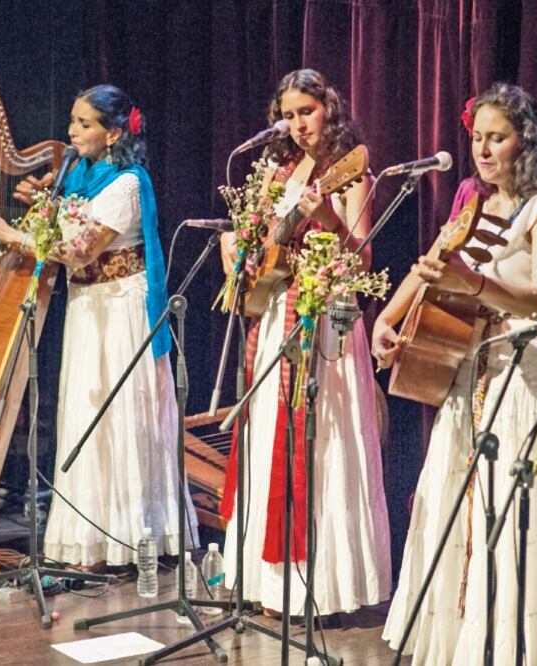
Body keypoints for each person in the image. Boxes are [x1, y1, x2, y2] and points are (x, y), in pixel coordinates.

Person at [376, 82, 537, 663]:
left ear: (528, 140)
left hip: (525, 377)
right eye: (478, 139)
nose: (484, 150)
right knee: (456, 504)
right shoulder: (474, 202)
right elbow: (431, 268)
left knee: (514, 513)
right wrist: (387, 319)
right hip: (467, 374)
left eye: (498, 138)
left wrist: (474, 284)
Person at [0, 85, 197, 571]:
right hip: (87, 304)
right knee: (85, 415)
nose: (71, 132)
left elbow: (79, 250)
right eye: (73, 121)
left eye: (84, 124)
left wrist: (11, 233)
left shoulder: (127, 184)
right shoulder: (80, 174)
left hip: (120, 309)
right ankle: (93, 544)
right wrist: (45, 200)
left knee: (116, 418)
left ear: (114, 133)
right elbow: (65, 228)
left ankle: (130, 538)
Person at [217, 68, 392, 617]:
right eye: (288, 116)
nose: (297, 125)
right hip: (275, 314)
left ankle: (320, 586)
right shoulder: (283, 168)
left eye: (306, 113)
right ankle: (269, 583)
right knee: (269, 437)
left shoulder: (350, 168)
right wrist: (235, 241)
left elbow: (361, 260)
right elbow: (262, 240)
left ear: (329, 109)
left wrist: (325, 218)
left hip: (324, 324)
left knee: (319, 444)